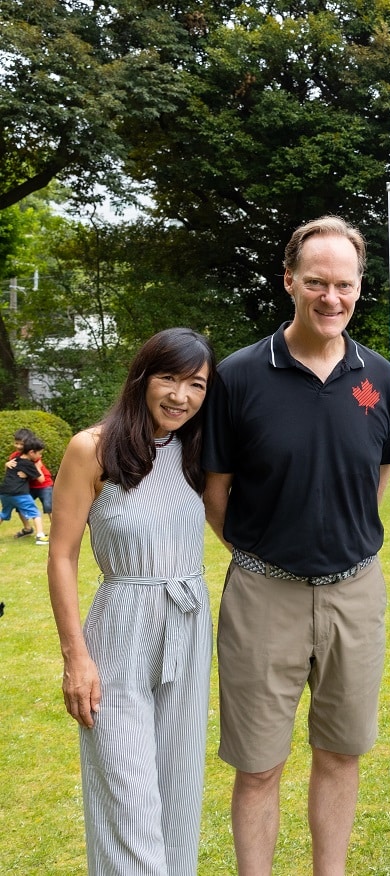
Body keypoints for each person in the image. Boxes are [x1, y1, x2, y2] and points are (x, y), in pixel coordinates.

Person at [202, 215, 390, 876]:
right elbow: (216, 488)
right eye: (316, 282)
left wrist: (339, 539)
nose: (331, 298)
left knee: (342, 753)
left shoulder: (381, 377)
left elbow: (381, 471)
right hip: (265, 594)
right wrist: (265, 552)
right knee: (259, 764)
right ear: (289, 281)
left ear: (359, 286)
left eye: (343, 284)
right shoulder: (237, 377)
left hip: (354, 591)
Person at [46, 327, 216, 875]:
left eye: (196, 384)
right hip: (119, 632)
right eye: (169, 378)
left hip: (188, 629)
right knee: (127, 805)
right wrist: (76, 657)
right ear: (143, 376)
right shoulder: (91, 448)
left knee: (178, 800)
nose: (180, 396)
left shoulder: (196, 448)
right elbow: (63, 555)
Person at [2, 435, 49, 544]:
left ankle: (32, 532)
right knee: (35, 513)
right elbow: (41, 479)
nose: (40, 455)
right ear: (32, 452)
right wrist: (37, 467)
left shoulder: (14, 460)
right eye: (39, 453)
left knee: (3, 514)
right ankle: (40, 537)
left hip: (4, 493)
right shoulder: (29, 464)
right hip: (19, 493)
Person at [9, 427, 55, 528]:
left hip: (44, 484)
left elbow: (37, 473)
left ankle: (56, 530)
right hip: (29, 486)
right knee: (20, 506)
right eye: (17, 443)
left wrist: (27, 475)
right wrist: (7, 465)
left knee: (48, 507)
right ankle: (27, 528)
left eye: (22, 444)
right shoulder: (14, 456)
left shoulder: (34, 455)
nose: (19, 446)